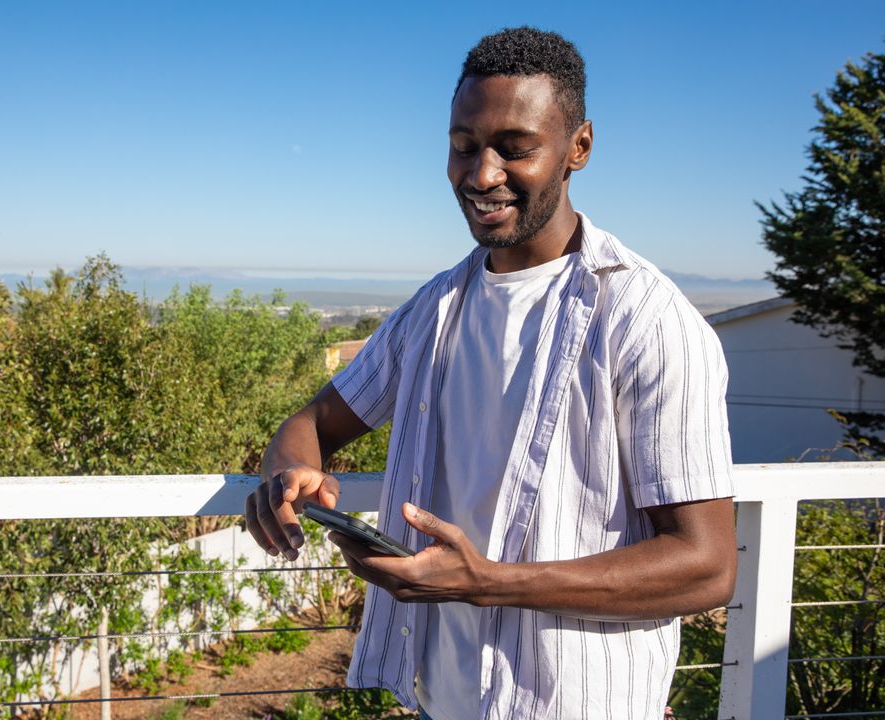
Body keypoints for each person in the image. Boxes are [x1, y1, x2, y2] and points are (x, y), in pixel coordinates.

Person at [244, 26, 737, 720]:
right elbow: (310, 423)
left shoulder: (643, 319)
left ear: (580, 148)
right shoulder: (435, 309)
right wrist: (289, 473)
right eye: (463, 145)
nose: (482, 173)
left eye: (515, 146)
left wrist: (489, 583)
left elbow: (706, 565)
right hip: (441, 701)